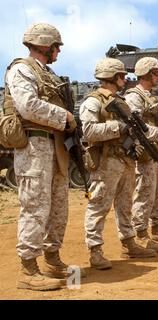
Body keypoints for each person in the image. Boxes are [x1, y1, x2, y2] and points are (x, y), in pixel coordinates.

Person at [4, 23, 77, 291]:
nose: (58, 50)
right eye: (56, 46)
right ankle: (28, 269)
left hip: (56, 146)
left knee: (58, 207)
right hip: (35, 146)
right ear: (45, 45)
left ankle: (52, 259)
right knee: (34, 207)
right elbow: (27, 106)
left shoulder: (49, 74)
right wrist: (65, 117)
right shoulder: (21, 69)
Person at [80, 58, 156, 270]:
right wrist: (118, 127)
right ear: (112, 77)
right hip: (106, 161)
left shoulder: (121, 101)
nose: (125, 79)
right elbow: (88, 131)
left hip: (125, 159)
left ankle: (129, 242)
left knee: (125, 206)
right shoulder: (92, 102)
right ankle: (95, 251)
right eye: (121, 76)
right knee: (99, 206)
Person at [125, 57, 158, 249]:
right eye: (155, 73)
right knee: (145, 192)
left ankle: (157, 228)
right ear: (145, 74)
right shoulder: (134, 96)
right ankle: (140, 233)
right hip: (145, 151)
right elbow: (138, 127)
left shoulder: (151, 95)